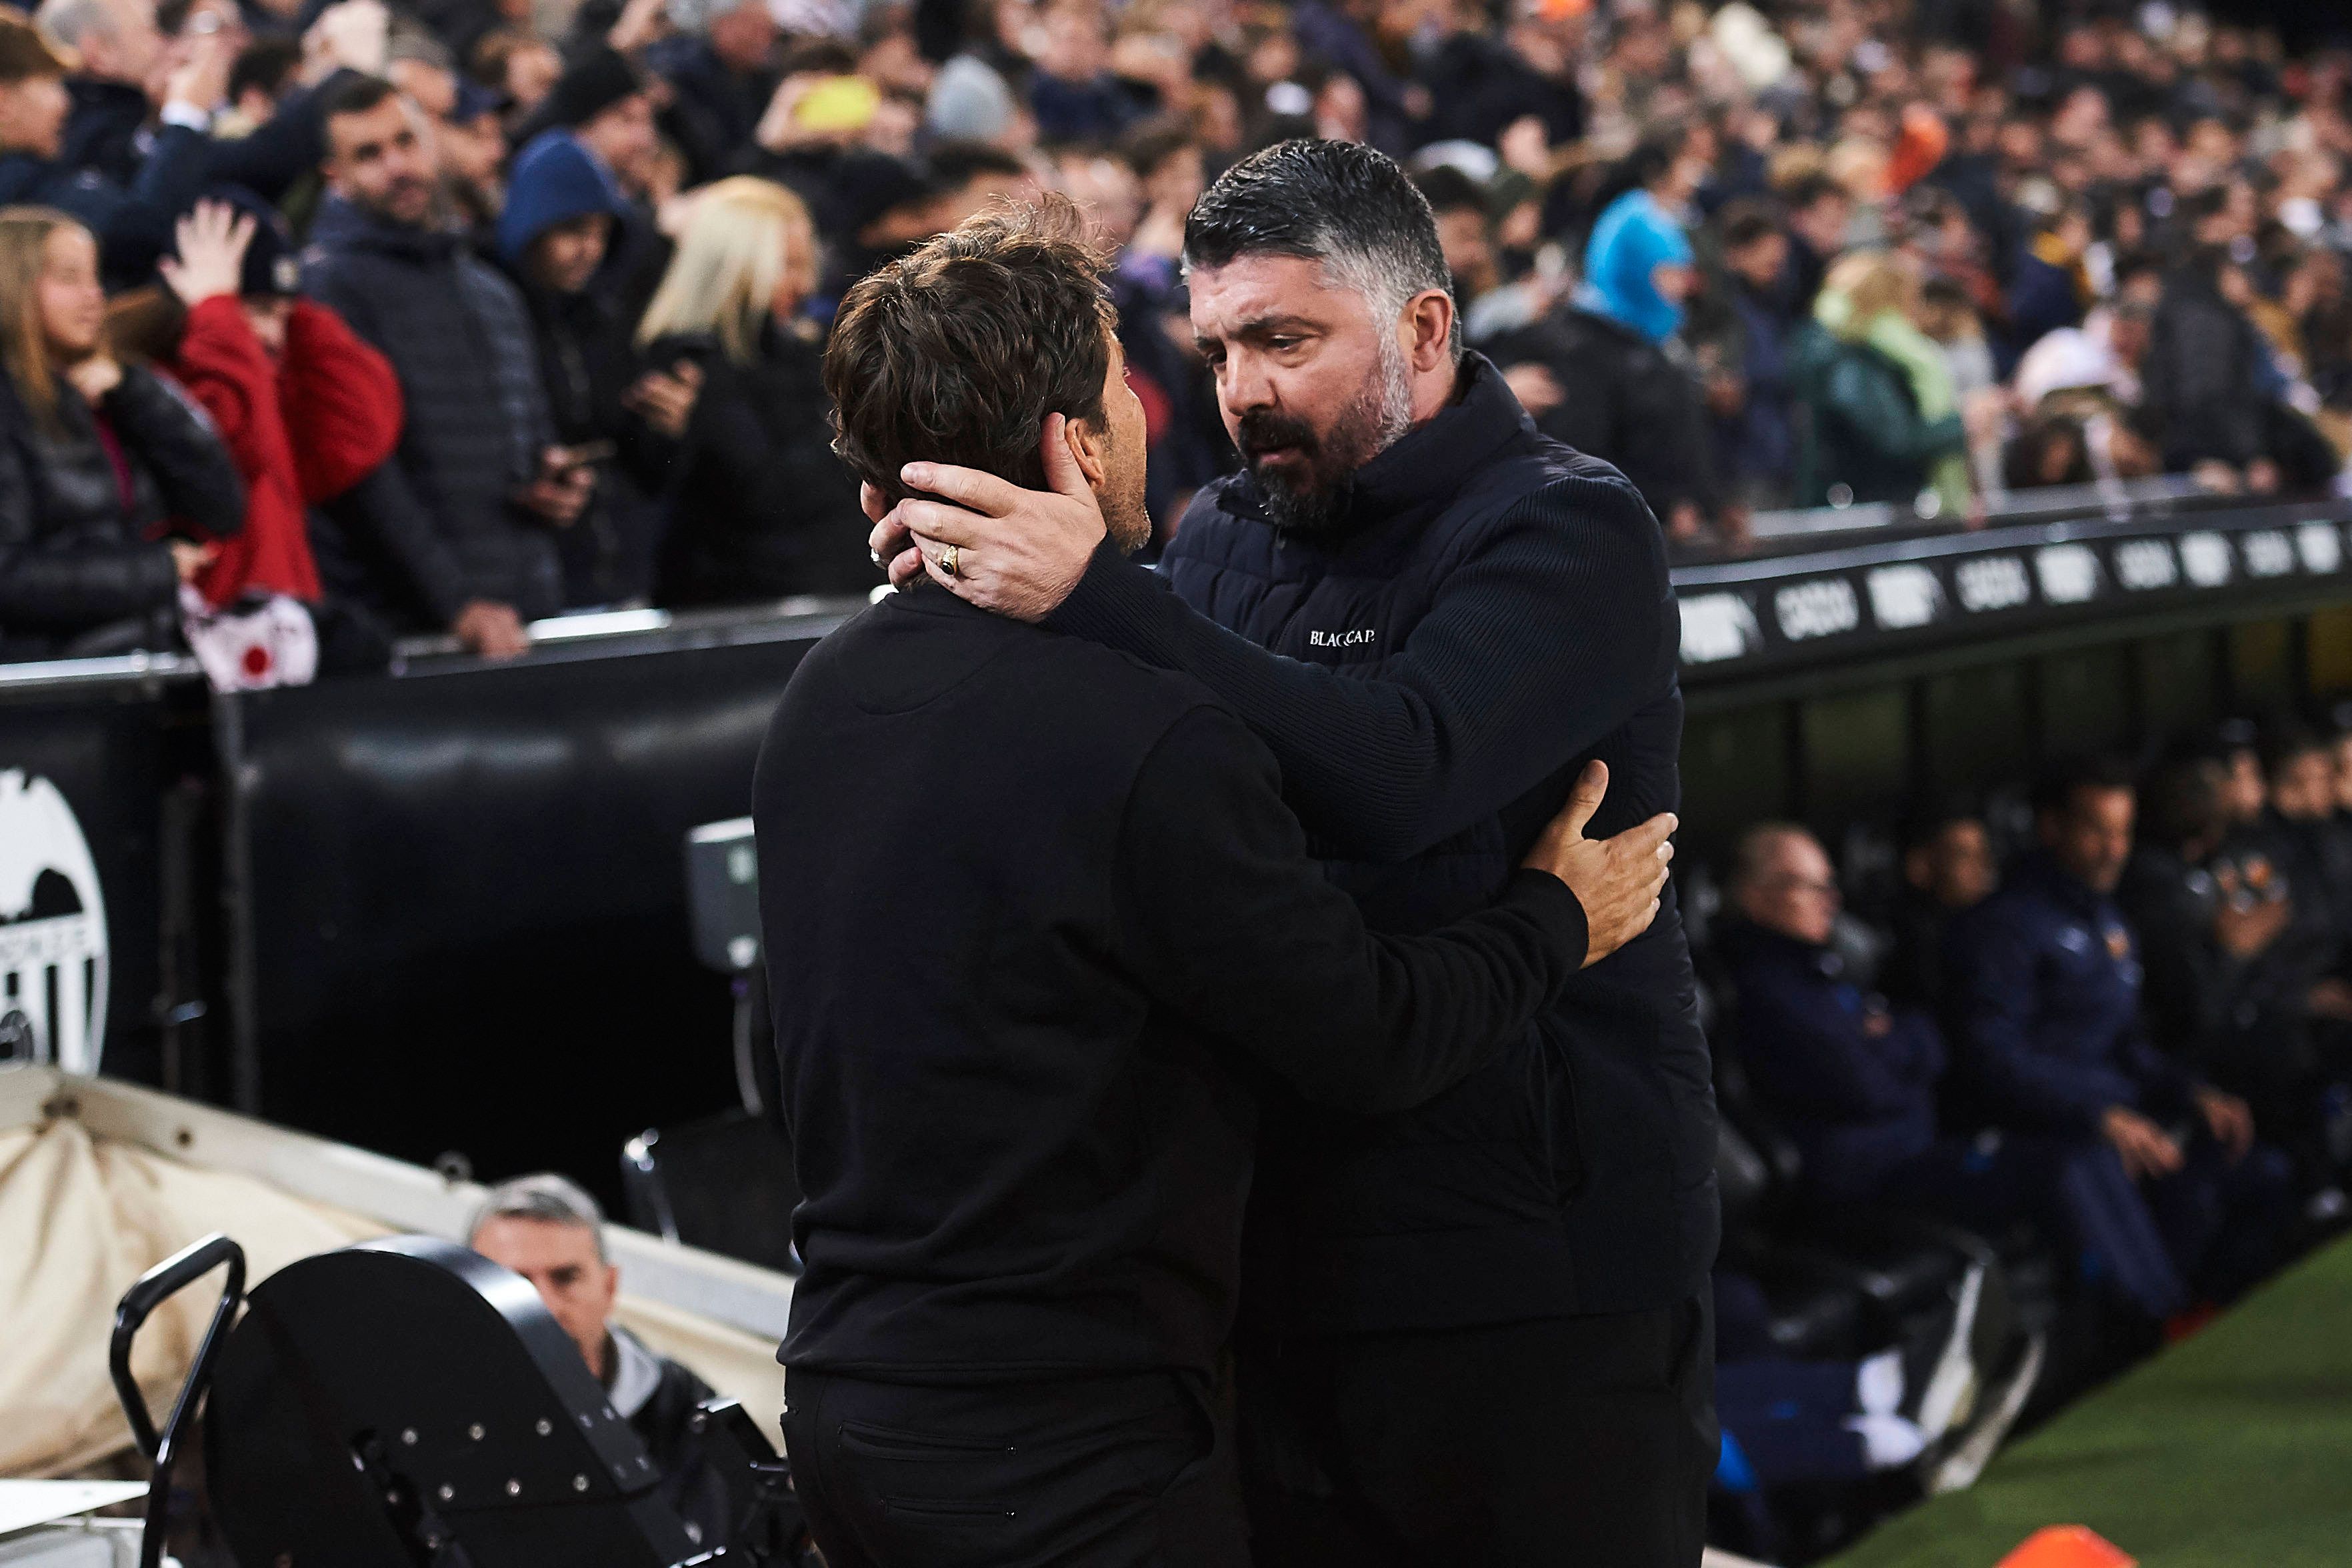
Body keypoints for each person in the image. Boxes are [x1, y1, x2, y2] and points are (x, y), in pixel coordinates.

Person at [765, 196, 1676, 1566]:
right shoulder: (1148, 700)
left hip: (863, 1384)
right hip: (1070, 1427)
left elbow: (1399, 769)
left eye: (1281, 341)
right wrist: (1554, 917)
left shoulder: (819, 695)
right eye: (1196, 360)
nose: (1228, 396)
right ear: (1078, 443)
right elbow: (1365, 1030)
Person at [1721, 823, 2189, 1324]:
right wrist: (1893, 1050)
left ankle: (2169, 1306)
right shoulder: (1765, 992)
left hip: (1918, 1154)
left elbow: (1928, 1040)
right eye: (1808, 886)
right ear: (1755, 896)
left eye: (1829, 884)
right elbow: (1868, 1084)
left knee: (2085, 1152)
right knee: (2060, 1169)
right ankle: (2150, 1322)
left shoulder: (1828, 972)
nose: (1829, 900)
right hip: (1868, 1185)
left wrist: (1891, 1045)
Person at [1945, 758, 2297, 1307]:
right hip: (2053, 1127)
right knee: (2148, 1185)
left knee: (2261, 1172)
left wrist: (2191, 1091)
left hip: (2122, 1110)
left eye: (2122, 832)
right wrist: (2095, 1114)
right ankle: (2157, 1329)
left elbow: (2127, 1042)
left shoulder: (2106, 917)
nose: (2113, 848)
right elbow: (1992, 1056)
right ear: (2052, 828)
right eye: (2096, 831)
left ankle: (2207, 1316)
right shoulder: (2006, 927)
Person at [302, 75, 572, 658]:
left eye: (405, 142)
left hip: (527, 608)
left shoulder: (492, 290)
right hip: (419, 631)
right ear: (336, 178)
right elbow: (363, 478)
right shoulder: (328, 290)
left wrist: (560, 485)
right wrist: (456, 603)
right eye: (369, 155)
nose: (397, 166)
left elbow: (535, 435)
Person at [115, 195, 402, 617]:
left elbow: (356, 432)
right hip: (215, 637)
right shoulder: (160, 387)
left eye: (284, 316)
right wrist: (217, 313)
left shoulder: (255, 376)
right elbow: (231, 456)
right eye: (259, 310)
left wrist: (294, 306)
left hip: (278, 632)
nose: (275, 335)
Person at [0, 205, 243, 660]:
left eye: (95, 278)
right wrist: (156, 570)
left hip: (138, 662)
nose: (94, 296)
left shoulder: (114, 390)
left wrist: (135, 395)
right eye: (69, 278)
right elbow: (8, 574)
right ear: (12, 288)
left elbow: (222, 508)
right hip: (51, 688)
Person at [637, 175, 871, 606]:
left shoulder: (808, 350)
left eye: (804, 265)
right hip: (736, 608)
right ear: (732, 264)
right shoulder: (687, 366)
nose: (803, 285)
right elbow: (766, 491)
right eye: (787, 265)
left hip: (829, 590)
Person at [466, 1173, 731, 1551]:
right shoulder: (432, 1419)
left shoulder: (686, 1413)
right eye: (512, 1282)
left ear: (609, 1287)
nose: (545, 1307)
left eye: (566, 1278)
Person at [497, 129, 670, 606]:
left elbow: (642, 461)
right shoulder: (499, 320)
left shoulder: (608, 321)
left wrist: (665, 427)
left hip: (624, 569)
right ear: (531, 229)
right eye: (573, 230)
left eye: (600, 233)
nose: (590, 249)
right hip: (540, 573)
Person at [0, 9, 219, 285]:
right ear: (3, 103)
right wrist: (186, 116)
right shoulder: (21, 182)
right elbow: (140, 231)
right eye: (49, 83)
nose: (64, 102)